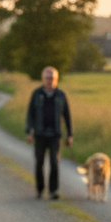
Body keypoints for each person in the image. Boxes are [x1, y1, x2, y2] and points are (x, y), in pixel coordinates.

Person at [25, 66, 73, 199]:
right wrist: (29, 131)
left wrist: (70, 134)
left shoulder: (61, 95)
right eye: (47, 78)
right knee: (39, 162)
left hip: (55, 135)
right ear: (43, 79)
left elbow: (67, 116)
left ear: (56, 79)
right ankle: (40, 189)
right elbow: (30, 114)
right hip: (40, 134)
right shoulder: (36, 94)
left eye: (52, 78)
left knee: (54, 162)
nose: (49, 80)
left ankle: (53, 191)